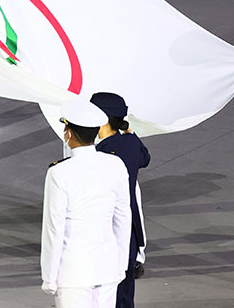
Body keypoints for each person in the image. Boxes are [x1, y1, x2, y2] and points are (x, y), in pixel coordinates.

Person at [41, 97, 131, 308]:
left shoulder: (59, 173)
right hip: (107, 268)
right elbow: (123, 218)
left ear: (69, 134)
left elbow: (54, 229)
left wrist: (49, 276)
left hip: (73, 273)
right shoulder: (115, 164)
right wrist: (120, 265)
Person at [92, 92, 150, 308]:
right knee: (125, 293)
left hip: (108, 228)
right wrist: (130, 133)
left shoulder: (101, 153)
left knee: (107, 292)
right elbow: (145, 158)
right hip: (131, 229)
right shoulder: (130, 144)